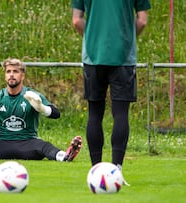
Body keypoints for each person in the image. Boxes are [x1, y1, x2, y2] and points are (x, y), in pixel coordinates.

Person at [71, 0, 151, 171]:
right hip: (123, 57)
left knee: (94, 114)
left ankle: (96, 169)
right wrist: (127, 37)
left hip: (93, 56)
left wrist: (94, 37)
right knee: (121, 113)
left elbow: (77, 20)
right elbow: (142, 20)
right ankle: (117, 168)